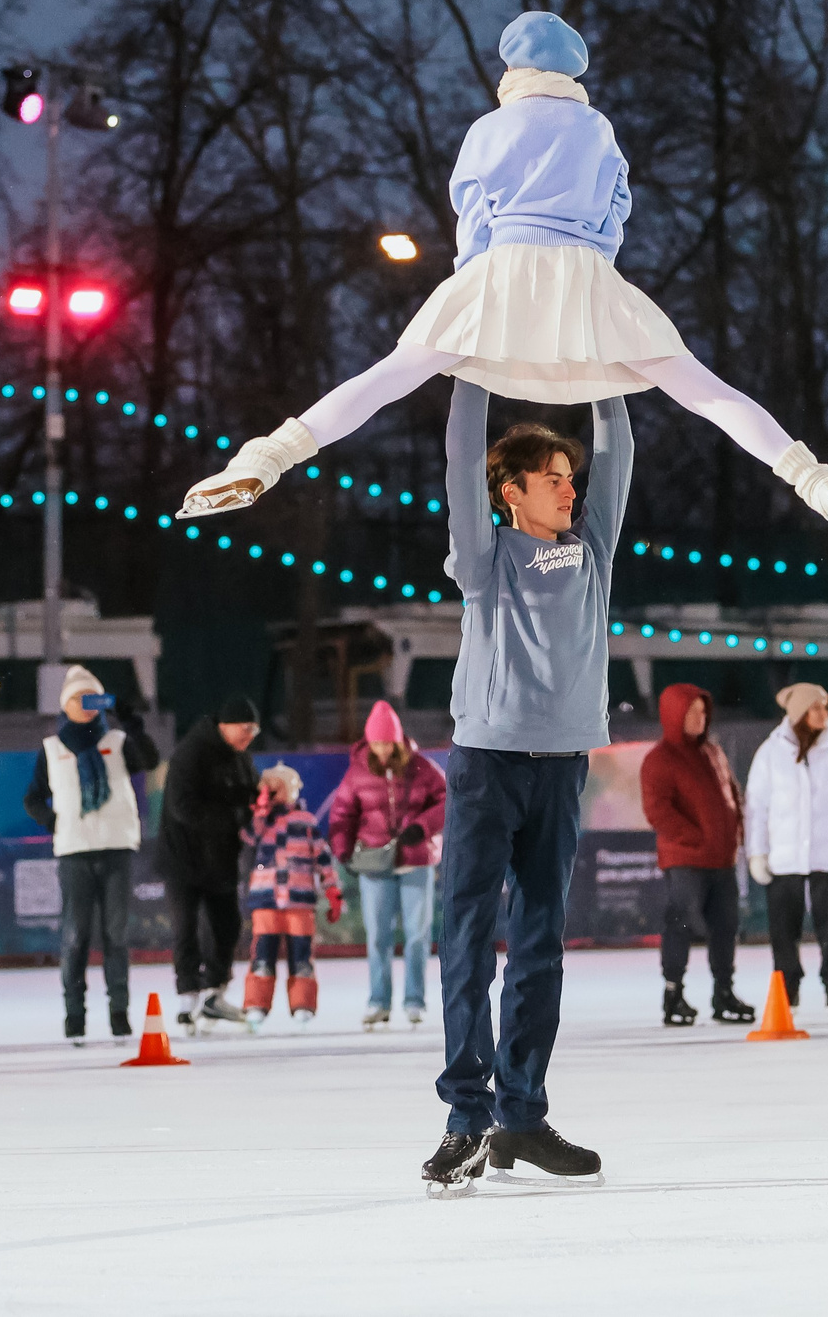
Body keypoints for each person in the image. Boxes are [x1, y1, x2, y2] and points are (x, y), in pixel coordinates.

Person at [179, 10, 828, 556]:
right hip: (584, 272)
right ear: (571, 74)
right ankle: (820, 484)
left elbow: (474, 211)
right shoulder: (598, 129)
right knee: (705, 391)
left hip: (502, 267)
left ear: (511, 73)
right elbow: (618, 207)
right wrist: (596, 281)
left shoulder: (490, 128)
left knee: (387, 377)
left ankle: (265, 458)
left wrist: (476, 291)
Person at [422, 377, 628, 1192]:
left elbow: (619, 454)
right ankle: (467, 1119)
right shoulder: (484, 555)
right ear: (511, 494)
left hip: (562, 765)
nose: (571, 488)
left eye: (572, 477)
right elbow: (458, 454)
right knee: (469, 941)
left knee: (540, 946)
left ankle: (521, 1116)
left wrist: (608, 377)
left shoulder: (592, 549)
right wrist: (472, 366)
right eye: (553, 478)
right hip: (487, 763)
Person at [23, 663, 161, 1043]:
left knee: (116, 934)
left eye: (92, 698)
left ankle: (119, 1013)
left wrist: (132, 722)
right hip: (75, 852)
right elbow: (32, 797)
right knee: (75, 935)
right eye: (77, 698)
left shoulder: (115, 741)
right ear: (64, 704)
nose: (85, 705)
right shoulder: (52, 749)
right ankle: (74, 1016)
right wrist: (55, 822)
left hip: (116, 846)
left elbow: (149, 760)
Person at [743, 681, 828, 1015]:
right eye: (816, 708)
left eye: (825, 707)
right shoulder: (770, 753)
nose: (823, 714)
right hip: (785, 859)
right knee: (784, 931)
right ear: (799, 713)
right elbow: (756, 808)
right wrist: (757, 852)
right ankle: (788, 992)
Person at [638, 682, 754, 1027]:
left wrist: (737, 831)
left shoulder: (713, 753)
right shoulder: (659, 760)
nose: (700, 719)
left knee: (725, 926)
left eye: (704, 712)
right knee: (681, 923)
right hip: (686, 859)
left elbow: (732, 794)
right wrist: (696, 838)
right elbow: (658, 810)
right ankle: (673, 993)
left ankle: (723, 992)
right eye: (692, 712)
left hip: (722, 858)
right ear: (674, 715)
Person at [325, 700, 446, 1030]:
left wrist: (422, 827)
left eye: (386, 742)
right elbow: (342, 814)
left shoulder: (421, 767)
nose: (381, 750)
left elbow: (448, 799)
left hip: (414, 862)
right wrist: (344, 852)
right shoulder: (358, 771)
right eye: (376, 742)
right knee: (378, 936)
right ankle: (378, 1001)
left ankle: (414, 1001)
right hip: (376, 863)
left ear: (397, 740)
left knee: (418, 936)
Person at [155, 695, 262, 1036]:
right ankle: (187, 998)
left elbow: (250, 794)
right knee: (185, 928)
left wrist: (261, 800)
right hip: (183, 859)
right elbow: (182, 807)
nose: (249, 737)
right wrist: (232, 816)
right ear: (225, 726)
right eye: (245, 730)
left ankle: (214, 993)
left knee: (227, 926)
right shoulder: (190, 753)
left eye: (253, 732)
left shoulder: (239, 757)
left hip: (220, 858)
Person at [238, 764, 344, 1028]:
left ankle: (303, 1004)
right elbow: (247, 840)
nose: (273, 793)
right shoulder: (260, 821)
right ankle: (256, 1004)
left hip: (299, 900)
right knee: (262, 954)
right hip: (266, 899)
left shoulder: (305, 821)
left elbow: (322, 857)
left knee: (302, 955)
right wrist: (260, 811)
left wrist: (332, 889)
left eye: (277, 789)